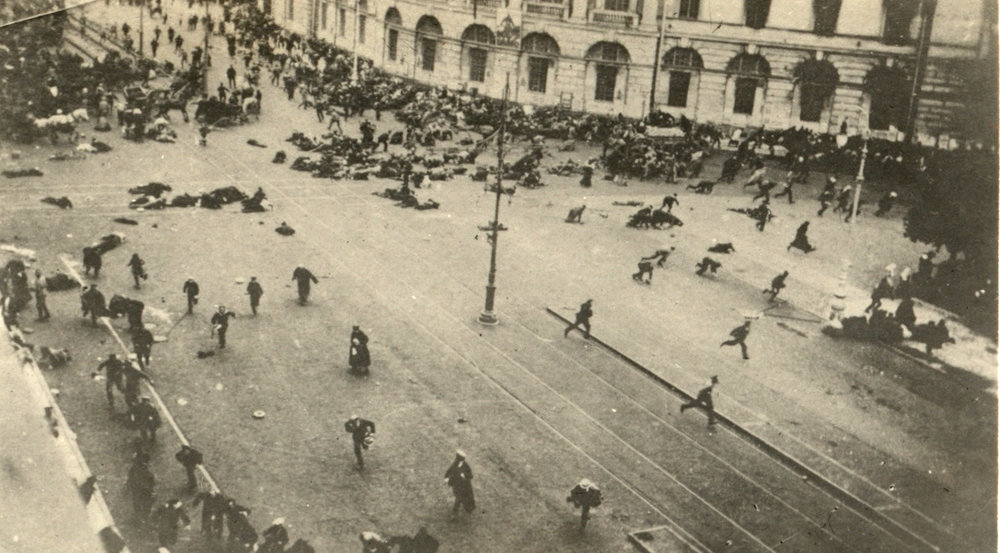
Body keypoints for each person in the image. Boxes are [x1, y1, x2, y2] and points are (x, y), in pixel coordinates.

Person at [444, 450, 475, 520]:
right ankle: (454, 514)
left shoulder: (466, 466)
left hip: (465, 486)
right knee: (458, 499)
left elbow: (470, 475)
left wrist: (464, 475)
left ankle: (468, 508)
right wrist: (446, 478)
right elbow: (449, 471)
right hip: (456, 486)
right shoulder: (455, 464)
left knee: (465, 498)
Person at [125, 452, 155, 522]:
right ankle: (144, 516)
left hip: (137, 489)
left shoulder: (135, 468)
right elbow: (151, 482)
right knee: (145, 503)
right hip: (144, 490)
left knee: (137, 502)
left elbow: (130, 476)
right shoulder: (146, 472)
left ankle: (139, 515)